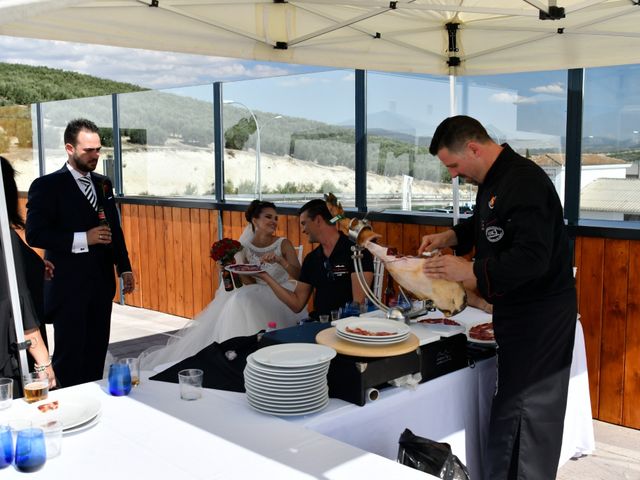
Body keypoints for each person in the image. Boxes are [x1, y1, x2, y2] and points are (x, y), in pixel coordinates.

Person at [418, 115, 577, 480]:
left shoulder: (524, 181)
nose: (455, 175)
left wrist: (469, 271)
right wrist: (451, 238)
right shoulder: (493, 179)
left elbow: (532, 257)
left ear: (473, 147)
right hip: (517, 312)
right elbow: (487, 226)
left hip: (540, 316)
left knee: (525, 413)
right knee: (512, 409)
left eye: (454, 165)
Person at [25, 119, 135, 388]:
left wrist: (124, 267)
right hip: (67, 287)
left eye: (98, 149)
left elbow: (114, 229)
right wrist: (83, 238)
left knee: (96, 354)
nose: (95, 156)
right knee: (70, 358)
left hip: (101, 285)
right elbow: (35, 234)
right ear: (69, 148)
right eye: (89, 150)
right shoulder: (47, 185)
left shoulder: (103, 184)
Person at [140, 200, 307, 371]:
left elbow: (300, 275)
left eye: (276, 218)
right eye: (268, 217)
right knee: (240, 299)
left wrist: (280, 260)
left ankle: (266, 356)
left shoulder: (283, 243)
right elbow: (248, 282)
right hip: (255, 291)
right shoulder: (245, 247)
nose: (274, 221)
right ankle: (238, 354)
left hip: (282, 293)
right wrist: (229, 268)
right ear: (255, 221)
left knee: (242, 300)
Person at [257, 199, 374, 319]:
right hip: (318, 325)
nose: (302, 230)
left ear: (318, 220)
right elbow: (296, 304)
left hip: (348, 327)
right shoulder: (311, 259)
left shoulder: (356, 251)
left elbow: (358, 305)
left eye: (304, 223)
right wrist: (266, 277)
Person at [1, 156, 57, 395]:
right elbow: (17, 300)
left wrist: (34, 265)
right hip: (12, 353)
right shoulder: (4, 238)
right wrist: (43, 361)